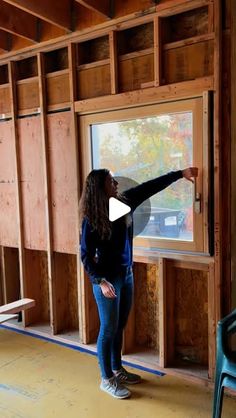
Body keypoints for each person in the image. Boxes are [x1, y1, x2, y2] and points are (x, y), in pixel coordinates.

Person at [79, 167, 198, 399]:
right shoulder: (91, 219)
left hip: (126, 275)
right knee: (108, 328)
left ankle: (117, 369)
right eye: (110, 182)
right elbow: (85, 255)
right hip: (107, 281)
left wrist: (179, 174)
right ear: (99, 188)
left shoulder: (123, 202)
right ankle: (107, 379)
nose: (115, 184)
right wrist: (100, 281)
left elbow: (151, 186)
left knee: (120, 325)